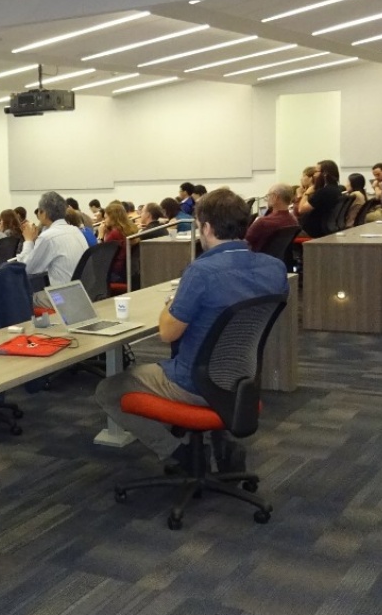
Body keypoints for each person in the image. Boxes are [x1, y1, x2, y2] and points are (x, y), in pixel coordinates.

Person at [94, 189, 288, 468]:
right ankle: (218, 442)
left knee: (108, 389)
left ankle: (177, 453)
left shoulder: (201, 271)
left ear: (206, 227)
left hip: (192, 382)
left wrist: (171, 303)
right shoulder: (275, 268)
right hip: (242, 376)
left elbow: (167, 333)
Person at [15, 190, 87, 286]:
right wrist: (36, 241)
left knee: (33, 297)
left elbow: (26, 268)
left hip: (64, 294)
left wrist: (28, 241)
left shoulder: (48, 237)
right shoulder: (76, 230)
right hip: (82, 290)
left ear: (44, 213)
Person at [245, 184, 298, 252]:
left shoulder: (263, 222)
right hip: (278, 259)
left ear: (275, 197)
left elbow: (244, 242)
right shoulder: (293, 221)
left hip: (254, 258)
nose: (267, 199)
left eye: (268, 195)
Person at [296, 160, 343, 236]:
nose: (314, 175)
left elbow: (301, 209)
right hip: (325, 228)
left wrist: (306, 193)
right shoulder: (337, 189)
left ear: (324, 174)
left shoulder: (323, 192)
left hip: (313, 231)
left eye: (316, 172)